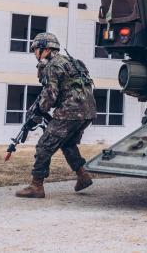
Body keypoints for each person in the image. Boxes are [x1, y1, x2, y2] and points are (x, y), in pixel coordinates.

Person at [15, 32, 97, 198]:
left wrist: (39, 111)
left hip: (70, 111)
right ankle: (83, 176)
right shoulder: (71, 62)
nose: (34, 54)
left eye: (36, 50)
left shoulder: (52, 65)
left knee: (44, 146)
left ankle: (36, 186)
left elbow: (50, 94)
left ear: (45, 49)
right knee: (66, 143)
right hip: (88, 111)